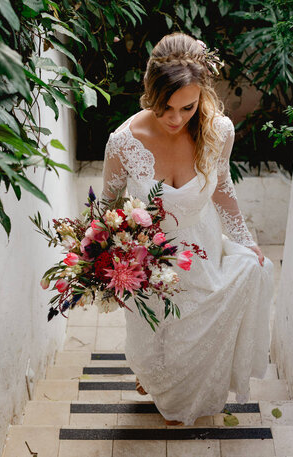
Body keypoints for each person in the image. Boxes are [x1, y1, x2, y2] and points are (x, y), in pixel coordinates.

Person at [100, 32, 275, 426]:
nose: (177, 119)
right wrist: (98, 257)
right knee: (152, 343)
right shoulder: (123, 142)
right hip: (147, 255)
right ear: (150, 94)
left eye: (188, 107)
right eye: (166, 108)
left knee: (193, 327)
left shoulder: (219, 131)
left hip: (201, 245)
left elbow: (223, 189)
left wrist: (247, 240)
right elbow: (106, 207)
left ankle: (182, 394)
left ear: (201, 96)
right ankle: (153, 376)